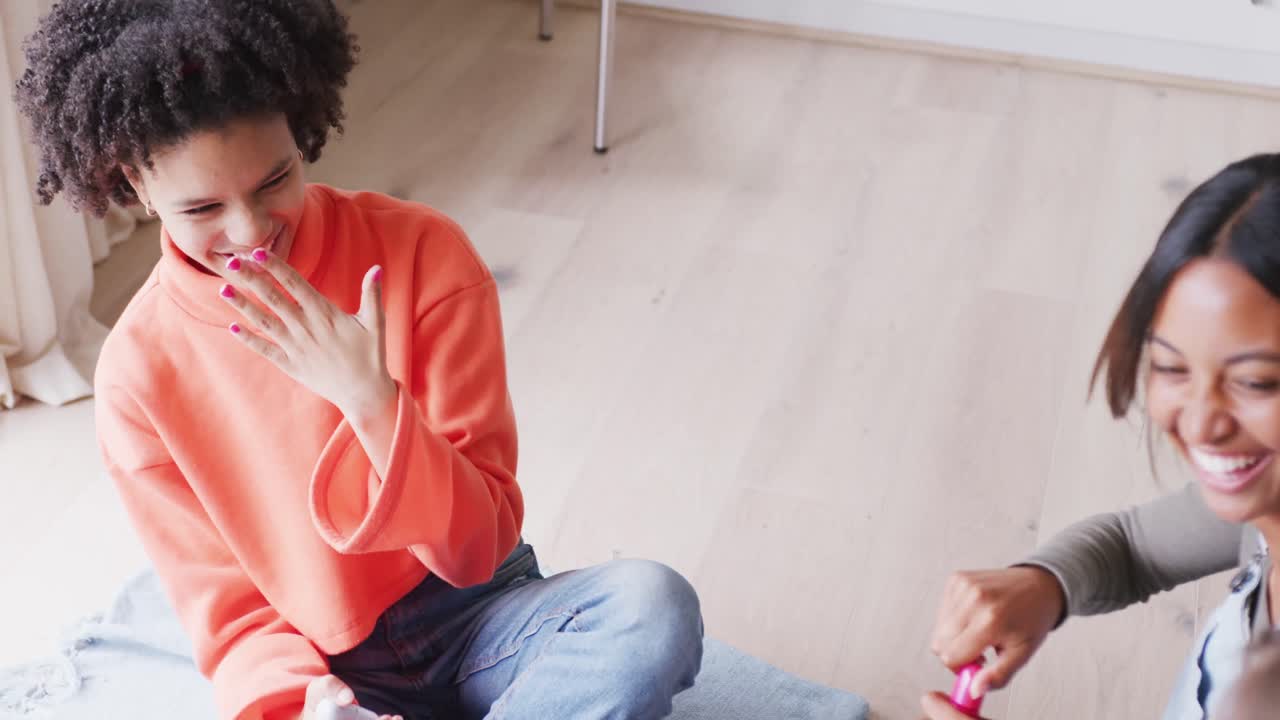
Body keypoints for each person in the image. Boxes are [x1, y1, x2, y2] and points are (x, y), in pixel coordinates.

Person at [14, 2, 704, 719]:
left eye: (274, 180)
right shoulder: (136, 374)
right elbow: (234, 618)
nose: (248, 233)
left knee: (650, 605)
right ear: (132, 183)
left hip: (481, 617)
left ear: (300, 126)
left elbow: (477, 549)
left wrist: (373, 404)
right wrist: (298, 709)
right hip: (326, 668)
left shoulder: (424, 254)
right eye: (201, 209)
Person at [924, 154, 1280, 719]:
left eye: (1256, 381)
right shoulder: (1267, 512)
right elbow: (1134, 546)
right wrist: (1044, 584)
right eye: (1171, 368)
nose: (1199, 423)